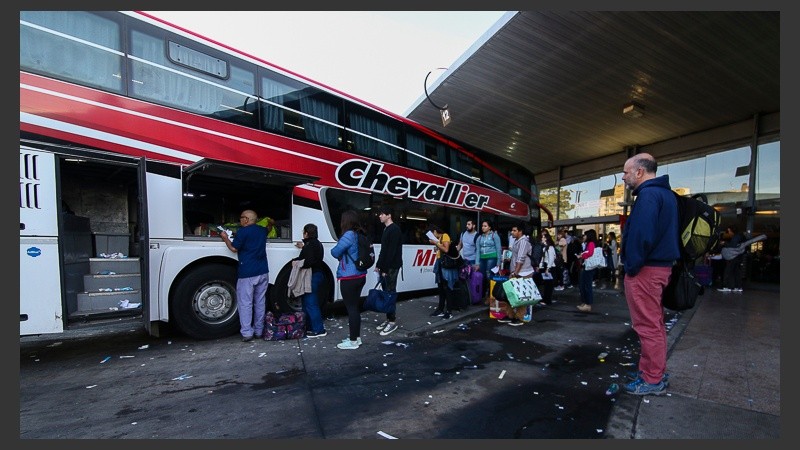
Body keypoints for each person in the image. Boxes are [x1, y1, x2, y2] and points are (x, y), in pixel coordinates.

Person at [620, 152, 680, 396]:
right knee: (654, 324)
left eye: (625, 172)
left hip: (646, 270)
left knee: (647, 326)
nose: (623, 177)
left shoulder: (648, 195)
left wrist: (631, 266)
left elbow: (641, 236)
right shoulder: (665, 194)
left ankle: (652, 379)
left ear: (639, 172)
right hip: (658, 267)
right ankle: (651, 372)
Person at [220, 209, 269, 342]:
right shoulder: (262, 230)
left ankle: (247, 333)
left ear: (246, 219)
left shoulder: (242, 232)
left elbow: (234, 248)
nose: (240, 220)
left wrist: (225, 238)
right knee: (260, 302)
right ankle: (259, 331)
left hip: (247, 272)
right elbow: (269, 227)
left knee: (245, 303)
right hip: (263, 271)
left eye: (241, 218)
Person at [331, 210, 368, 350]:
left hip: (349, 277)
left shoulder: (348, 235)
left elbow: (334, 252)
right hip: (360, 275)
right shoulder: (360, 234)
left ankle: (353, 341)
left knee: (351, 309)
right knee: (355, 308)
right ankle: (356, 338)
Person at [293, 223, 327, 338]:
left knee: (310, 304)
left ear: (306, 233)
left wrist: (297, 262)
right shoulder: (316, 244)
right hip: (317, 275)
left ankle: (319, 329)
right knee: (309, 303)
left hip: (312, 276)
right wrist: (303, 247)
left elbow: (308, 261)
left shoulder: (310, 245)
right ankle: (309, 327)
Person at [374, 206, 403, 335]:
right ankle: (388, 319)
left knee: (390, 293)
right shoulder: (386, 229)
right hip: (386, 267)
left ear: (389, 215)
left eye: (382, 214)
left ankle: (392, 322)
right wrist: (378, 265)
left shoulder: (395, 230)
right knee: (386, 292)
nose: (379, 216)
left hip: (392, 267)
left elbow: (391, 252)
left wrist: (384, 268)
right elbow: (384, 250)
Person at [502, 222, 534, 326]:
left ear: (520, 231)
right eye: (512, 230)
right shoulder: (517, 241)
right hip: (516, 271)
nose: (512, 232)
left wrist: (515, 272)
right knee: (511, 294)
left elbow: (521, 259)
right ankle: (510, 315)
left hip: (524, 272)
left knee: (521, 296)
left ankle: (519, 317)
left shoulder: (524, 241)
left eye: (515, 230)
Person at [428, 224, 460, 319]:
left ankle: (448, 310)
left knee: (447, 287)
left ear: (434, 232)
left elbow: (446, 249)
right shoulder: (440, 239)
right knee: (441, 287)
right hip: (440, 263)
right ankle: (440, 309)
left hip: (446, 265)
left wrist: (436, 243)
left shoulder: (445, 236)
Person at [476, 220, 503, 302]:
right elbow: (477, 250)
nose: (483, 227)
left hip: (492, 257)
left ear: (489, 227)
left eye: (485, 226)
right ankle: (483, 295)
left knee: (489, 276)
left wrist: (498, 262)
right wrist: (477, 263)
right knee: (482, 276)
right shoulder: (480, 237)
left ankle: (490, 296)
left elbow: (499, 249)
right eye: (482, 226)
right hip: (482, 258)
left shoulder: (495, 236)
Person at [576, 229, 599, 312]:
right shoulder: (588, 244)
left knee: (586, 285)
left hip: (589, 267)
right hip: (587, 266)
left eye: (585, 235)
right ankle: (585, 302)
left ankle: (588, 304)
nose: (583, 237)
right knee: (583, 284)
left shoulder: (591, 243)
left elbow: (590, 253)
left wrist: (582, 255)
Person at [718, 225, 746, 292]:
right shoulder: (741, 236)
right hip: (739, 256)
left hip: (733, 256)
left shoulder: (736, 237)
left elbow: (733, 246)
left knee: (728, 271)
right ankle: (738, 287)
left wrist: (725, 243)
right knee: (737, 272)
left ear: (731, 230)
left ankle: (726, 286)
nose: (728, 232)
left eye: (728, 231)